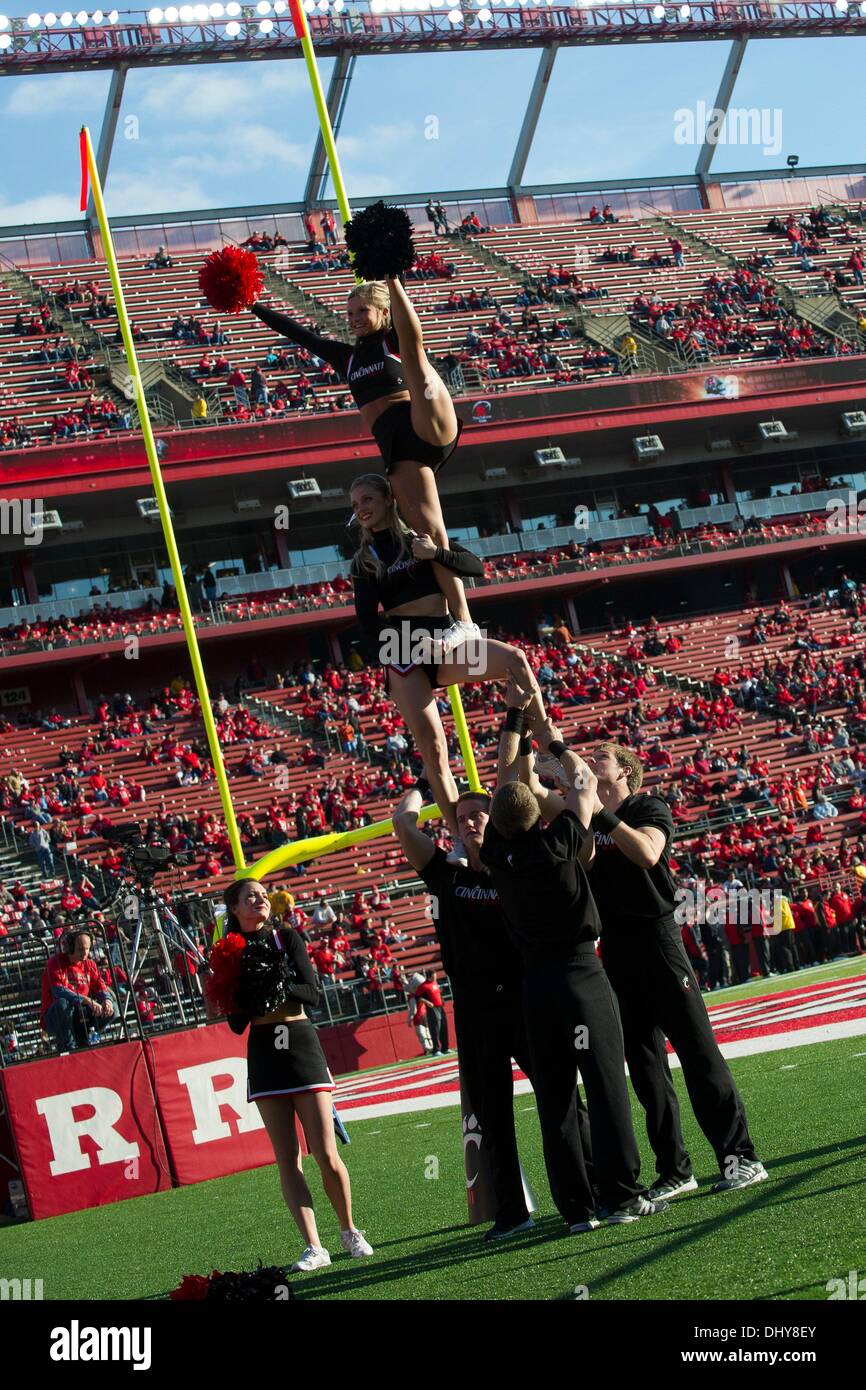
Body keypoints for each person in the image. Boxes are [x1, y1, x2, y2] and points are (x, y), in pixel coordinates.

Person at [479, 688, 669, 1228]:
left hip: (533, 988)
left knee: (556, 1097)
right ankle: (623, 1195)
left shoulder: (497, 853)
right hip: (580, 974)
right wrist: (555, 740)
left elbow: (505, 784)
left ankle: (576, 1206)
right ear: (538, 813)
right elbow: (584, 786)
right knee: (606, 1084)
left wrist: (515, 721)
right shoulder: (558, 842)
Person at [394, 780, 593, 1240]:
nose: (467, 822)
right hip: (476, 1008)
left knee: (561, 1097)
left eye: (477, 814)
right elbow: (403, 824)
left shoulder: (518, 864)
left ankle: (591, 1185)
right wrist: (424, 787)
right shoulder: (446, 873)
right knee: (492, 1114)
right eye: (460, 817)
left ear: (497, 820)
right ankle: (512, 1210)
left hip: (526, 999)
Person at [585, 742, 767, 1198]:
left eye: (600, 758)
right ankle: (676, 1169)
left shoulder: (648, 806)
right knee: (646, 1069)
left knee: (698, 1053)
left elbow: (646, 853)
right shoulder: (586, 819)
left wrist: (601, 814)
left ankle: (740, 1158)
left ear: (624, 770)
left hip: (657, 942)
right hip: (617, 950)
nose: (591, 763)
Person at [248, 278, 476, 633]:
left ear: (384, 312)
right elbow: (302, 337)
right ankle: (463, 622)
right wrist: (252, 305)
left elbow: (408, 327)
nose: (353, 318)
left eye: (362, 311)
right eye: (349, 312)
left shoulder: (393, 339)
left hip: (428, 420)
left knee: (415, 354)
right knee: (430, 536)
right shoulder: (348, 357)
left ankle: (431, 379)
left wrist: (391, 278)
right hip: (401, 450)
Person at [350, 472, 545, 840]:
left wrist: (435, 553)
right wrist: (406, 644)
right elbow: (365, 622)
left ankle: (546, 742)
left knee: (515, 661)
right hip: (405, 652)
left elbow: (476, 567)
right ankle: (463, 839)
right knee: (435, 750)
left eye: (367, 500)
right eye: (355, 504)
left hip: (447, 639)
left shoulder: (422, 538)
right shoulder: (365, 559)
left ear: (388, 499)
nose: (361, 509)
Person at [208, 879, 373, 1273]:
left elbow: (313, 993)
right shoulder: (228, 950)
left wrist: (278, 983)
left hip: (299, 1043)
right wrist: (235, 992)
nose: (260, 900)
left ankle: (350, 1230)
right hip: (264, 1051)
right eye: (250, 897)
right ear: (233, 908)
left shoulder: (286, 937)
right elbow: (234, 1023)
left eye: (263, 895)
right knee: (287, 1159)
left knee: (326, 1153)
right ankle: (314, 1246)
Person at [41, 929, 117, 1053]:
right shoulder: (55, 962)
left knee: (113, 1008)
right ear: (70, 947)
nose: (85, 953)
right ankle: (67, 1047)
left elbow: (100, 986)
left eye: (87, 949)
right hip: (56, 1016)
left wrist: (106, 1000)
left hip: (80, 1013)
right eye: (81, 949)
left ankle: (86, 1038)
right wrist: (86, 1000)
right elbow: (58, 991)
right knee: (62, 1004)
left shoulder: (90, 964)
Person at [413, 968, 449, 1055]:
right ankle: (436, 1050)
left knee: (444, 1026)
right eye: (433, 977)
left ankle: (445, 1048)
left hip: (440, 1007)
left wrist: (442, 1000)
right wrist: (427, 1002)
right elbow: (417, 997)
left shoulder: (435, 982)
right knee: (435, 1027)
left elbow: (438, 993)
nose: (435, 978)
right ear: (428, 977)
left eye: (435, 976)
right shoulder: (423, 986)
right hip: (432, 1008)